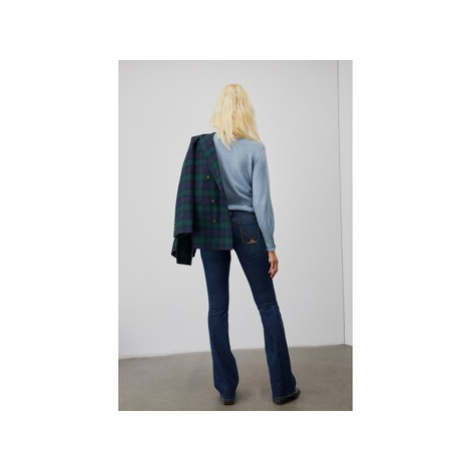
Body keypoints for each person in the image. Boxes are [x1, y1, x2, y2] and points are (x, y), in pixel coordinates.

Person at [199, 84, 300, 407]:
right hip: (247, 226)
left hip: (212, 227)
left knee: (217, 308)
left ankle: (226, 389)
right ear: (246, 110)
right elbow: (261, 202)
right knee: (267, 305)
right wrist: (270, 245)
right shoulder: (255, 148)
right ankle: (282, 387)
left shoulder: (206, 147)